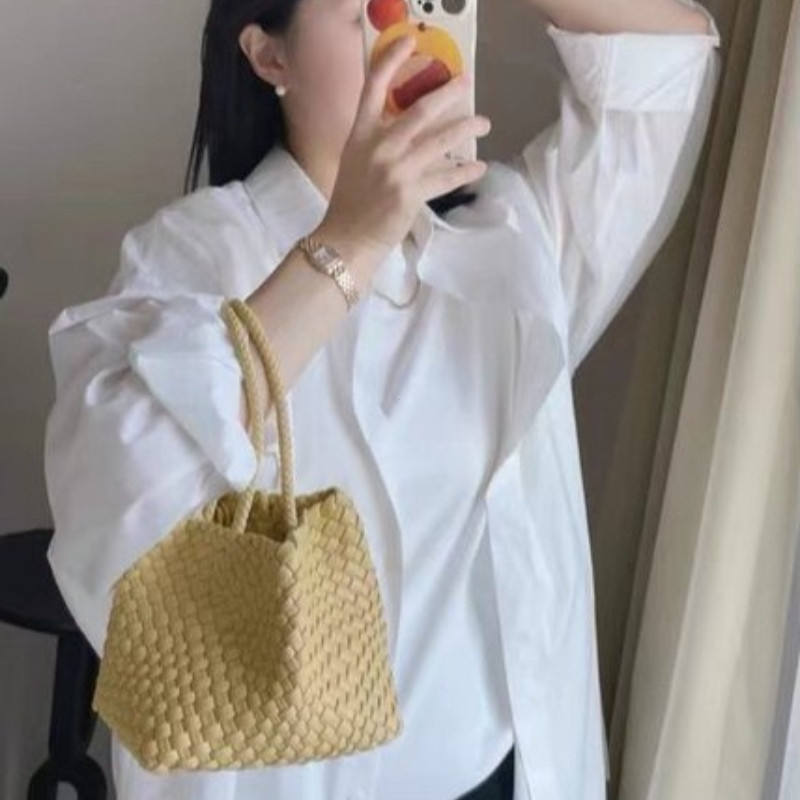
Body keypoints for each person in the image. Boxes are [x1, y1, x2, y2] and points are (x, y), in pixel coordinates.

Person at [42, 0, 722, 798]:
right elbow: (120, 493)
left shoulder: (513, 240)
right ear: (269, 57)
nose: (407, 33)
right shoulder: (196, 253)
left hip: (499, 773)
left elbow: (667, 61)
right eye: (367, 9)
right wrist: (351, 241)